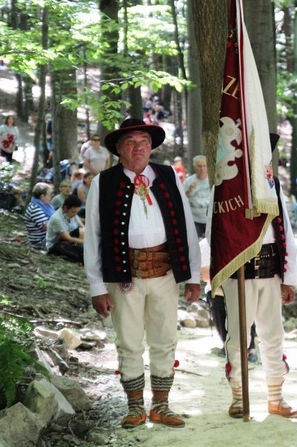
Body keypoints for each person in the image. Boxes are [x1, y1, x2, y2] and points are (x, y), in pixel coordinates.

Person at [84, 118, 201, 429]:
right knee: (129, 341)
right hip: (124, 277)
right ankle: (134, 406)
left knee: (165, 339)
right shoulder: (103, 182)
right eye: (131, 142)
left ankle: (161, 405)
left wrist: (193, 275)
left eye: (144, 142)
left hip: (165, 272)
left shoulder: (167, 176)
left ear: (151, 147)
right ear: (120, 149)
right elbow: (93, 236)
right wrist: (96, 285)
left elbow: (187, 226)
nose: (139, 147)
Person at [222, 133, 297, 420]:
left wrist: (289, 277)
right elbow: (215, 233)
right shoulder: (226, 188)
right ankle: (239, 397)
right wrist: (214, 274)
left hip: (271, 272)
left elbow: (285, 231)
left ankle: (276, 397)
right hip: (238, 273)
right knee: (238, 337)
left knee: (273, 334)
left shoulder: (272, 184)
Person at [46, 194, 85, 263]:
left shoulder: (73, 214)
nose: (74, 214)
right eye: (73, 212)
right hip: (56, 244)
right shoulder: (57, 218)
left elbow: (82, 227)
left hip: (69, 241)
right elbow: (68, 238)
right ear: (66, 208)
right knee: (79, 256)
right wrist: (85, 242)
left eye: (76, 212)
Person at [184, 155, 210, 238]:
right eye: (199, 166)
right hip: (194, 219)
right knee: (195, 243)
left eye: (204, 166)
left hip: (209, 219)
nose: (202, 169)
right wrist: (189, 190)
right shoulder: (189, 181)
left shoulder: (212, 180)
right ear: (195, 167)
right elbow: (182, 197)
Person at [24, 182, 55, 249]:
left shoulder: (47, 206)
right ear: (42, 197)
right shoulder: (35, 208)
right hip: (40, 241)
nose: (51, 197)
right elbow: (47, 227)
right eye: (49, 195)